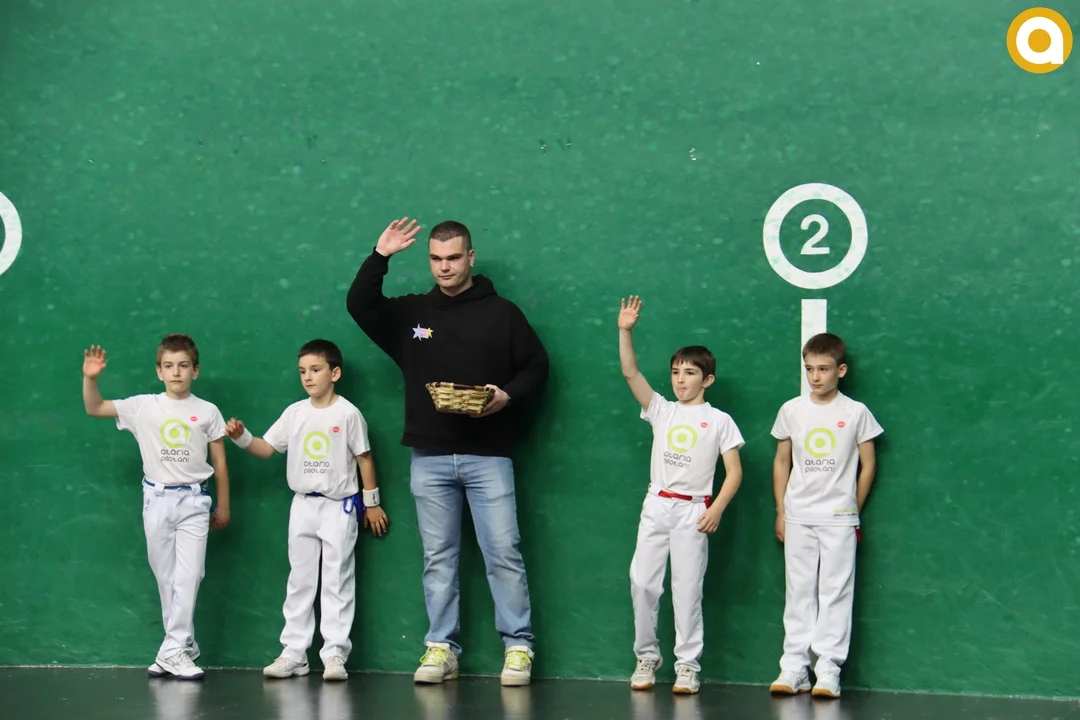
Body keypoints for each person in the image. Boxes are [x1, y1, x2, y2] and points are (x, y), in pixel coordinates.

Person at [345, 217, 549, 686]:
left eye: (453, 258)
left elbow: (537, 367)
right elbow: (359, 304)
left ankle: (518, 647)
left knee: (503, 553)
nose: (444, 267)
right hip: (430, 457)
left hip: (489, 456)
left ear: (470, 257)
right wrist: (380, 256)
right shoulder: (411, 315)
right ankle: (441, 648)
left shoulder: (504, 314)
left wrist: (507, 396)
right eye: (436, 259)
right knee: (438, 557)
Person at [224, 339, 388, 682]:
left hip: (339, 507)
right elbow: (266, 448)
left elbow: (364, 459)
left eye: (316, 370)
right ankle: (294, 654)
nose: (308, 377)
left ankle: (334, 654)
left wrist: (371, 504)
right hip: (302, 506)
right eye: (302, 372)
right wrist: (241, 437)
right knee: (299, 581)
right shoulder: (295, 413)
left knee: (337, 580)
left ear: (335, 373)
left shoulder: (348, 414)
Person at [81, 333, 231, 681]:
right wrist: (91, 379)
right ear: (159, 371)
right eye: (169, 366)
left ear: (195, 370)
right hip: (157, 500)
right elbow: (94, 407)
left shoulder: (208, 411)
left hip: (195, 501)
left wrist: (223, 506)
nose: (176, 372)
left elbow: (220, 463)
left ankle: (173, 650)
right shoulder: (142, 406)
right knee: (167, 578)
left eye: (183, 365)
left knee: (191, 575)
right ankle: (180, 647)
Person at [616, 295, 745, 695]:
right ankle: (647, 657)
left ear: (707, 380)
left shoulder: (720, 421)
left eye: (689, 373)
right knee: (642, 583)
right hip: (657, 504)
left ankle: (687, 666)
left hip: (694, 512)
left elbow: (735, 472)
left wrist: (716, 508)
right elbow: (630, 373)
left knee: (687, 590)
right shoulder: (662, 410)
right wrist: (625, 330)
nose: (680, 380)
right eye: (675, 372)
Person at [768, 332, 883, 699]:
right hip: (798, 515)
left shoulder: (856, 412)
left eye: (823, 369)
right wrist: (782, 511)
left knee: (835, 592)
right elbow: (781, 462)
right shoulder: (791, 410)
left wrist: (852, 509)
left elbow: (868, 465)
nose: (815, 377)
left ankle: (828, 669)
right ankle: (794, 668)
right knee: (798, 591)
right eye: (809, 369)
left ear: (841, 370)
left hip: (839, 519)